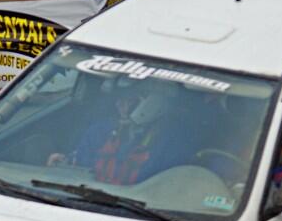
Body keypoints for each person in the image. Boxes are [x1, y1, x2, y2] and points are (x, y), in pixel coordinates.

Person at [48, 79, 184, 185]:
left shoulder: (171, 145)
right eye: (119, 99)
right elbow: (81, 167)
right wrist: (65, 163)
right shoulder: (100, 131)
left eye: (129, 100)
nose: (119, 105)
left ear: (152, 104)